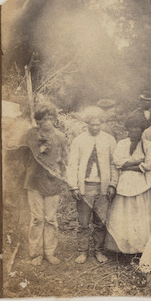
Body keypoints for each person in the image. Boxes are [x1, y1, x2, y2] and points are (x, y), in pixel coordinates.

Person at [19, 104, 69, 266]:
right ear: (38, 121)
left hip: (53, 182)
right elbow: (22, 156)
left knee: (51, 219)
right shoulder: (30, 135)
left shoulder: (60, 137)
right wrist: (34, 160)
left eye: (50, 118)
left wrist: (60, 174)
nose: (47, 122)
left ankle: (49, 252)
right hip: (33, 182)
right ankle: (36, 253)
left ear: (54, 120)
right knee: (37, 219)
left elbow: (65, 159)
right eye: (43, 119)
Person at [67, 106, 118, 264]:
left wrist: (112, 184)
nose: (95, 127)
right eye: (92, 124)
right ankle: (83, 251)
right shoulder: (79, 140)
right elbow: (72, 164)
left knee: (100, 221)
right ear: (87, 123)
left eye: (98, 124)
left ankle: (98, 250)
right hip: (85, 187)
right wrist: (74, 186)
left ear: (102, 123)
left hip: (102, 187)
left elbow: (113, 164)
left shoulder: (109, 139)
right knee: (83, 222)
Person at [105, 116, 151, 254]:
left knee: (140, 216)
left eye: (138, 128)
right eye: (132, 128)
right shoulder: (122, 144)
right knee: (124, 215)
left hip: (142, 183)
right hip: (124, 183)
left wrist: (128, 165)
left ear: (142, 130)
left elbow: (149, 164)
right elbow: (117, 161)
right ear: (127, 129)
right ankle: (123, 249)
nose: (134, 130)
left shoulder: (148, 145)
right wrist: (136, 161)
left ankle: (140, 249)